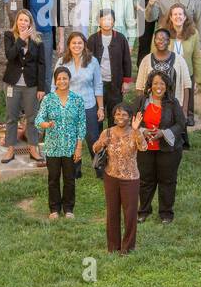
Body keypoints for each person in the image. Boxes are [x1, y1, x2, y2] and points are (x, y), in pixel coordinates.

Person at [34, 66, 86, 220]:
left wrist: (79, 147)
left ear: (69, 80)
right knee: (53, 178)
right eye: (59, 79)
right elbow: (38, 120)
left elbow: (81, 125)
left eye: (65, 78)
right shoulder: (48, 99)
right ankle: (54, 209)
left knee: (70, 179)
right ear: (55, 81)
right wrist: (45, 124)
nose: (62, 81)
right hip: (53, 147)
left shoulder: (77, 100)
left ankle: (68, 208)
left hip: (71, 147)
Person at [94, 104, 148, 254]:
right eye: (118, 114)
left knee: (130, 213)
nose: (120, 118)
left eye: (124, 115)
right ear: (114, 116)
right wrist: (101, 143)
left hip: (130, 178)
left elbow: (144, 148)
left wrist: (137, 131)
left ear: (130, 118)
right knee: (112, 212)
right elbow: (95, 149)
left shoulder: (135, 132)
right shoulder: (108, 132)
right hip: (110, 176)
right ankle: (113, 247)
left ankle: (128, 247)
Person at [136, 69, 187, 224]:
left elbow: (181, 124)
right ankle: (144, 211)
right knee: (145, 180)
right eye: (155, 83)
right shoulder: (141, 101)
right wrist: (143, 131)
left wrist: (163, 133)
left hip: (168, 150)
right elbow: (132, 121)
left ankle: (166, 213)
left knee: (167, 181)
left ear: (167, 86)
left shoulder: (173, 103)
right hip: (146, 148)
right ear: (150, 85)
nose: (159, 86)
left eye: (162, 83)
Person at [1, 10, 47, 164]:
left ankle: (33, 148)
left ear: (30, 23)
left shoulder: (38, 39)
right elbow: (10, 55)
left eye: (26, 20)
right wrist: (20, 39)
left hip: (31, 85)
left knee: (32, 118)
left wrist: (41, 87)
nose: (22, 23)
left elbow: (42, 64)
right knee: (11, 117)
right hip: (12, 84)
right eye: (20, 20)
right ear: (16, 22)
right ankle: (10, 149)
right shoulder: (9, 36)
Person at [12, 0, 62, 89]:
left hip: (47, 35)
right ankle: (30, 100)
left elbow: (59, 17)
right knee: (30, 66)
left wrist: (61, 40)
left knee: (46, 69)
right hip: (30, 35)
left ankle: (45, 100)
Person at [55, 31, 104, 154]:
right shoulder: (61, 62)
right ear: (69, 45)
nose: (77, 46)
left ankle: (99, 168)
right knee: (70, 139)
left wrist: (101, 108)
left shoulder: (93, 61)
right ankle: (74, 171)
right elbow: (53, 85)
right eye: (74, 43)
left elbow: (98, 85)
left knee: (93, 138)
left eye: (79, 43)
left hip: (88, 106)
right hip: (68, 106)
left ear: (84, 45)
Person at [87, 8, 133, 123]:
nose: (107, 22)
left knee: (115, 113)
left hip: (115, 83)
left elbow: (126, 60)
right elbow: (87, 62)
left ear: (113, 21)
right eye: (104, 19)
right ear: (99, 21)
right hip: (98, 83)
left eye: (109, 19)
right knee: (98, 113)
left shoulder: (121, 38)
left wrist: (126, 81)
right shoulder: (93, 39)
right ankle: (99, 139)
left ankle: (113, 138)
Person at [164, 4, 201, 126]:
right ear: (170, 17)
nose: (178, 17)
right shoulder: (163, 32)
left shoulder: (193, 34)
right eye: (175, 14)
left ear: (185, 17)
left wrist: (198, 79)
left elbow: (196, 56)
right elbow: (155, 52)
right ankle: (169, 115)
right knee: (169, 94)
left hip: (187, 71)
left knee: (188, 94)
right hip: (168, 71)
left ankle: (189, 115)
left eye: (180, 14)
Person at [135, 27, 192, 107]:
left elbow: (187, 86)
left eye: (164, 39)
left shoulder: (179, 60)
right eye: (158, 39)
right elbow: (139, 86)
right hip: (150, 107)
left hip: (173, 107)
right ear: (154, 41)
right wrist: (140, 107)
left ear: (169, 41)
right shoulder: (146, 60)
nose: (161, 41)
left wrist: (184, 110)